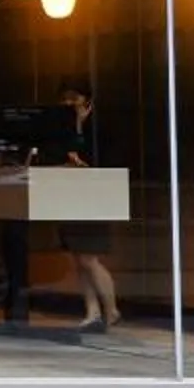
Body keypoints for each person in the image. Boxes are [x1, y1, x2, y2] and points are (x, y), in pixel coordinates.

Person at [54, 81, 123, 333]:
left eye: (75, 98)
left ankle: (111, 308)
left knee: (89, 257)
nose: (70, 103)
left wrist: (81, 130)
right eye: (65, 99)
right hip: (72, 195)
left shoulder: (100, 126)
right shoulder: (64, 126)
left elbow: (98, 158)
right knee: (78, 258)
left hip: (95, 195)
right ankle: (91, 311)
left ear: (88, 100)